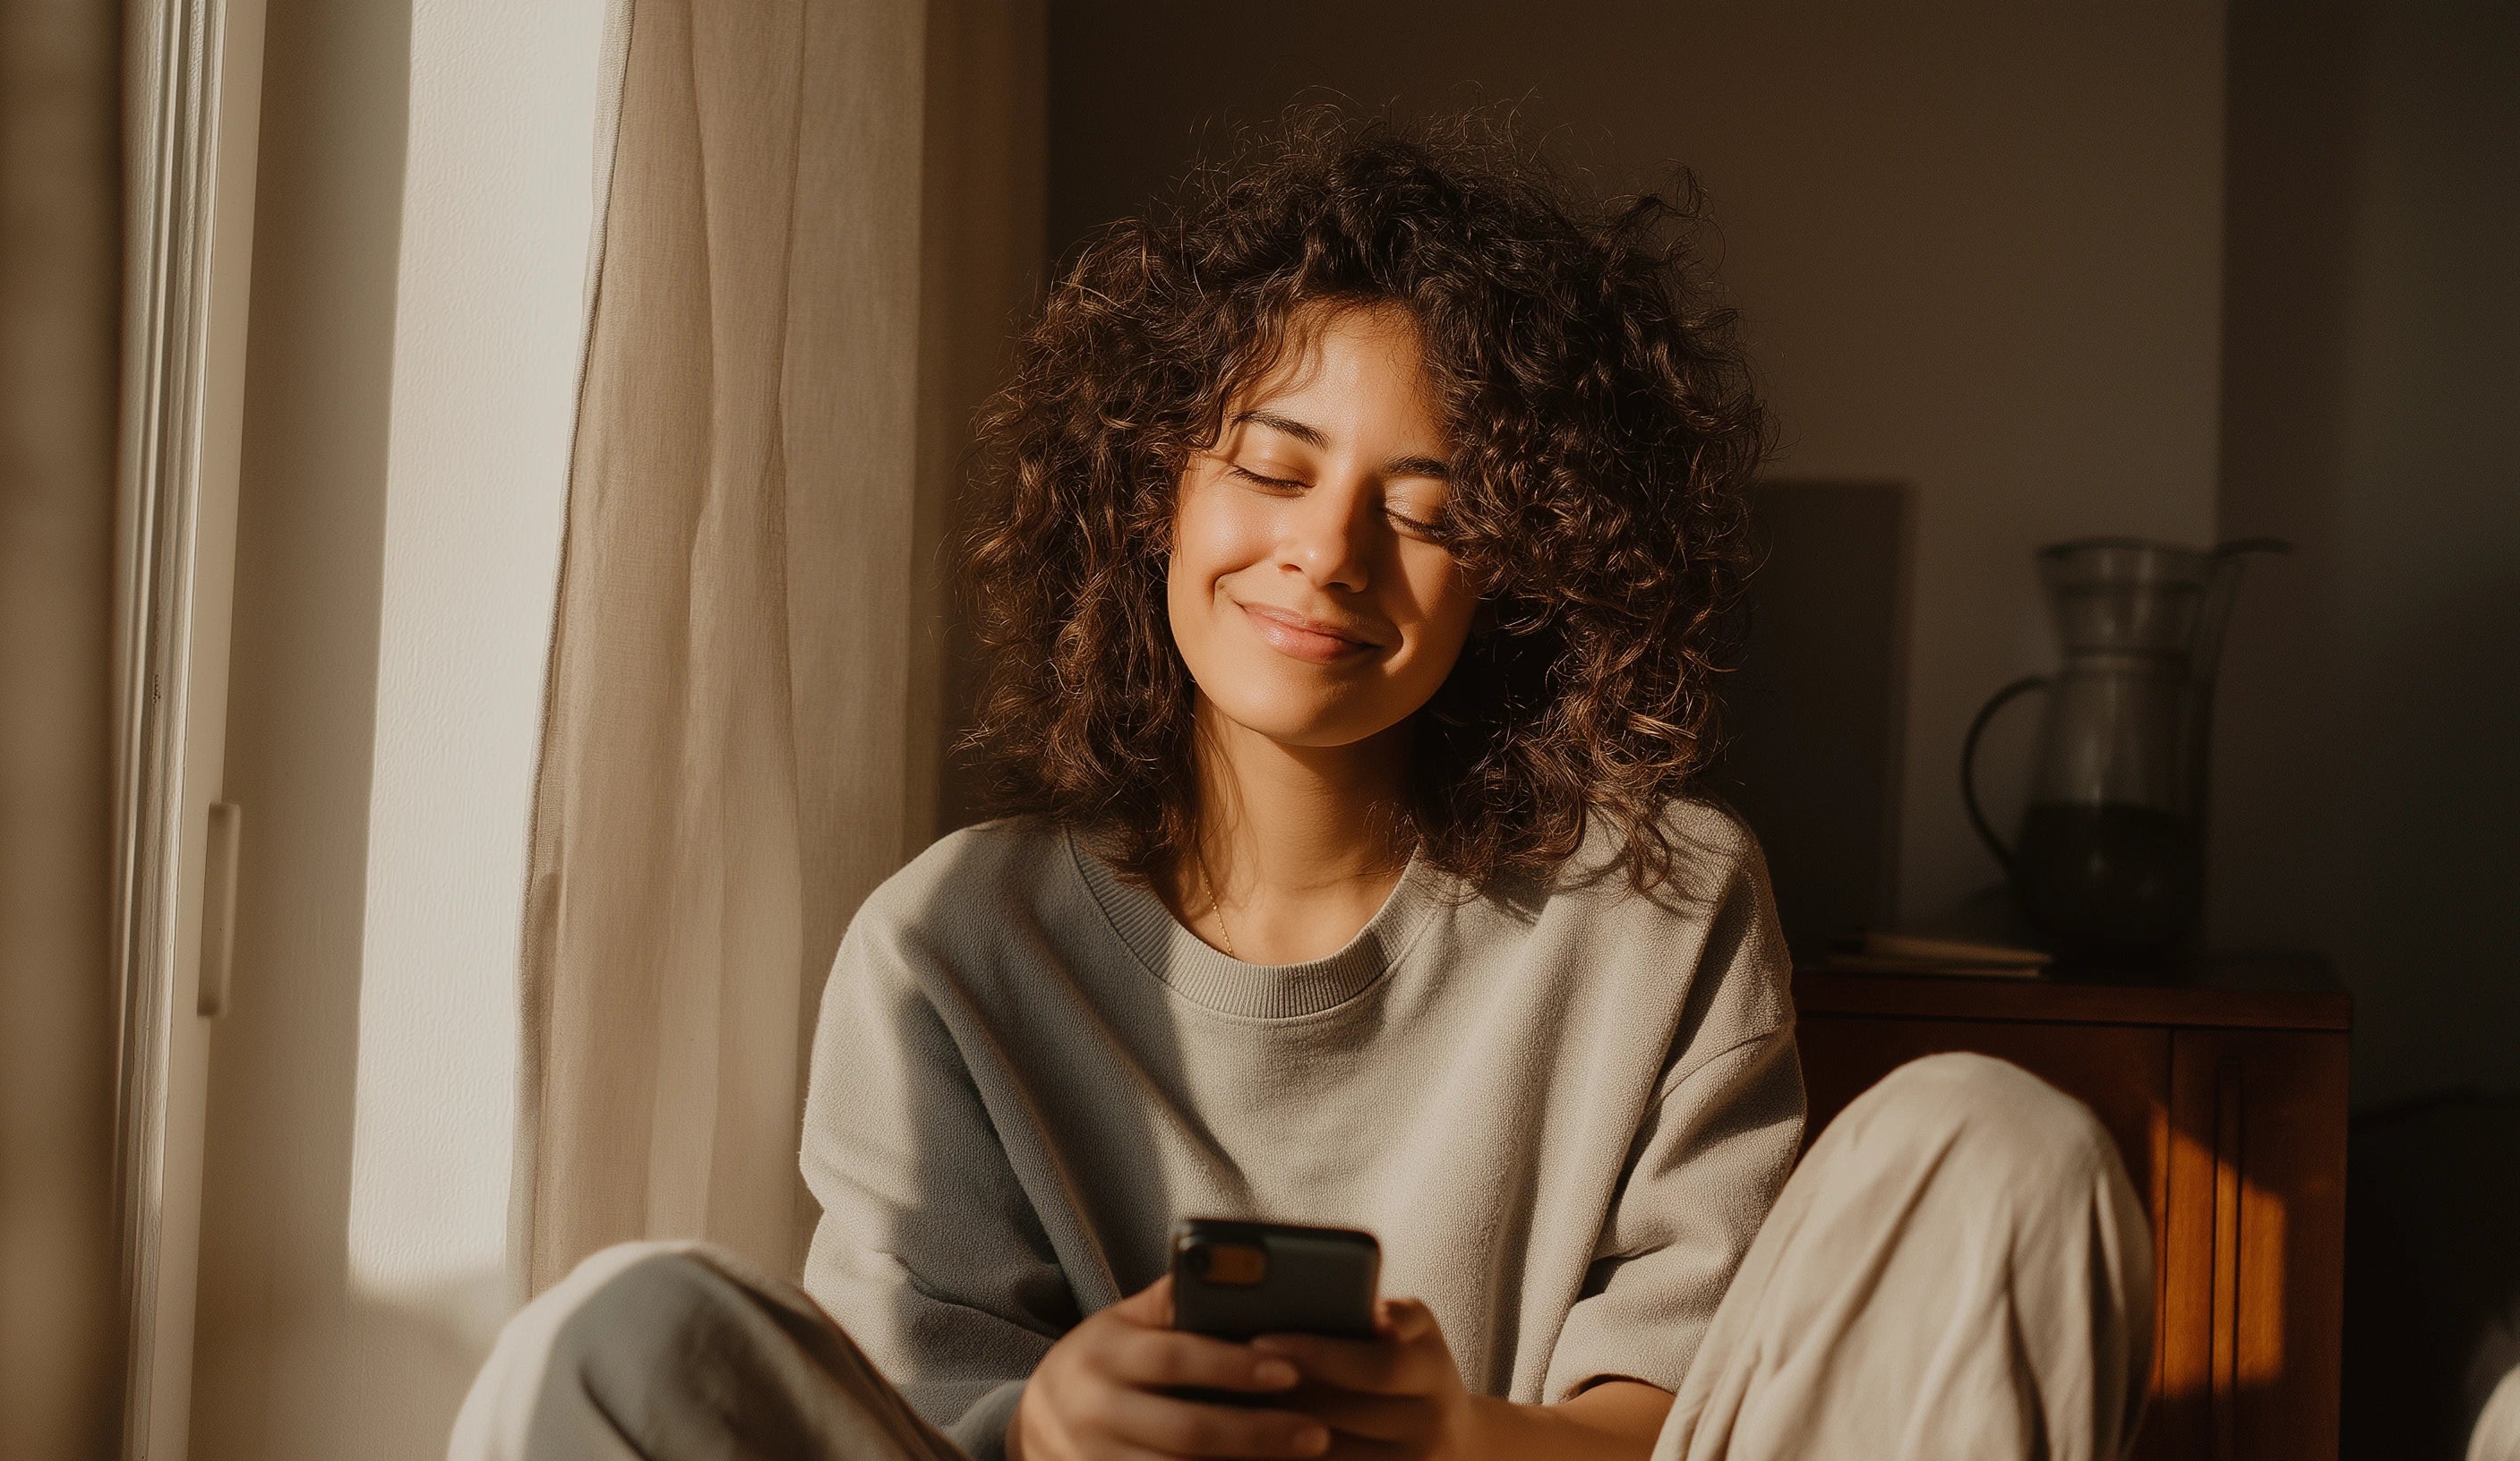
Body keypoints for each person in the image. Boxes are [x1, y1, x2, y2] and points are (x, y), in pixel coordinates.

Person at [450, 113, 2153, 1461]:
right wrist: (1047, 1428)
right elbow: (903, 1410)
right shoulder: (952, 948)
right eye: (1271, 465)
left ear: (1521, 568)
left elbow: (1695, 1419)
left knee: (2003, 1145)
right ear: (1152, 494)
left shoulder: (1665, 903)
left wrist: (1458, 1440)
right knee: (622, 1338)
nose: (1325, 555)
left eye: (1425, 511)